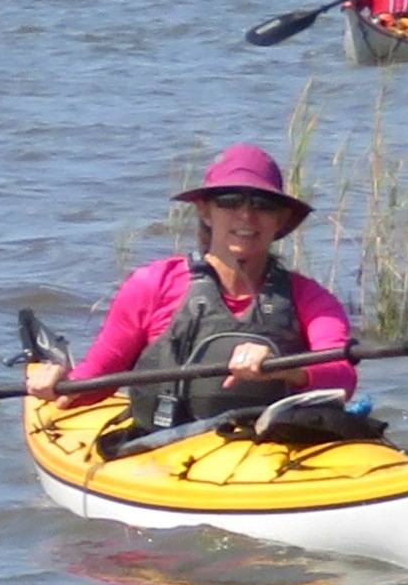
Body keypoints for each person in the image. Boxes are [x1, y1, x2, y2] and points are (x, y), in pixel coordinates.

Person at [34, 144, 358, 444]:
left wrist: (287, 368)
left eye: (263, 204)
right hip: (167, 448)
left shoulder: (312, 299)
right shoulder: (153, 285)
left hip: (271, 448)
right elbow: (97, 380)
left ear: (281, 218)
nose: (246, 215)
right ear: (205, 211)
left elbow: (342, 377)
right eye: (230, 200)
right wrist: (60, 383)